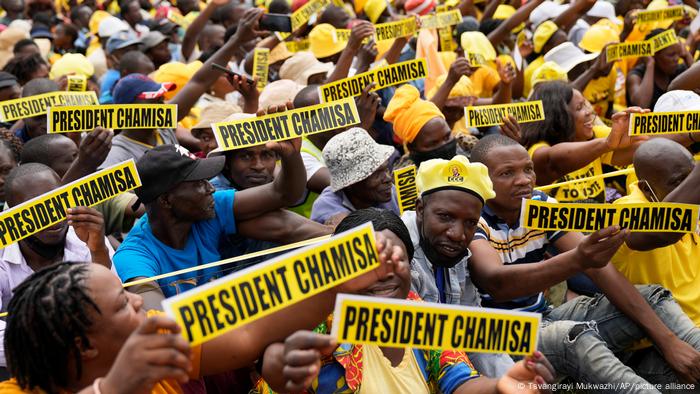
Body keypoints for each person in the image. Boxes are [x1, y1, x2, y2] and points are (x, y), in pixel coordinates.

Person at [1, 232, 405, 393]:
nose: (140, 301)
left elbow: (248, 334)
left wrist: (338, 282)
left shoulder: (155, 346)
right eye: (123, 304)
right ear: (84, 345)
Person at [469, 134, 700, 387]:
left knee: (652, 297)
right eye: (507, 173)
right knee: (571, 336)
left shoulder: (538, 203)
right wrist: (578, 259)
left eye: (528, 169)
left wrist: (669, 342)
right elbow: (497, 284)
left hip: (543, 317)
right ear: (482, 180)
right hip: (498, 337)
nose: (524, 180)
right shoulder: (472, 216)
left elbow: (601, 271)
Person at [259, 208, 556, 394]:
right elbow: (281, 373)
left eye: (394, 259)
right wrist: (277, 368)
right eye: (365, 264)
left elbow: (458, 381)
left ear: (410, 268)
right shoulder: (320, 326)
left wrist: (500, 386)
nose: (381, 273)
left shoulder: (422, 316)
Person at [113, 143, 328, 309]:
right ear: (166, 200)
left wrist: (290, 155)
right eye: (199, 183)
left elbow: (281, 194)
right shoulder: (134, 256)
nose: (211, 188)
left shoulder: (207, 211)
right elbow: (160, 324)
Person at [0, 163, 115, 366]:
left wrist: (98, 250)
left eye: (57, 200)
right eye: (35, 208)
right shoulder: (2, 254)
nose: (51, 215)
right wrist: (63, 344)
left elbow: (112, 301)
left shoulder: (86, 234)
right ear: (14, 215)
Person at [520, 81, 642, 203]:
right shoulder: (536, 151)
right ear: (559, 117)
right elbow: (553, 162)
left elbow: (645, 150)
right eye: (579, 108)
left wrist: (635, 127)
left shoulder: (593, 136)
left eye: (585, 105)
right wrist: (607, 143)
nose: (589, 112)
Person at [311, 128, 398, 226]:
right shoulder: (327, 208)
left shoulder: (391, 192)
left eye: (386, 169)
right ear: (349, 183)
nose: (388, 178)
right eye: (377, 174)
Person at [384, 84, 457, 168]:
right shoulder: (405, 175)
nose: (445, 146)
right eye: (433, 144)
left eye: (447, 137)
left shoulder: (466, 147)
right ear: (412, 148)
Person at [627, 29, 693, 110]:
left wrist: (686, 55)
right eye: (671, 55)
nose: (676, 59)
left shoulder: (679, 70)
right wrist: (650, 64)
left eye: (678, 53)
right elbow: (641, 105)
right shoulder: (636, 75)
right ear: (653, 56)